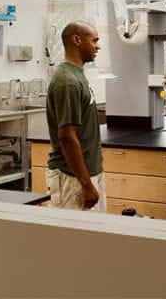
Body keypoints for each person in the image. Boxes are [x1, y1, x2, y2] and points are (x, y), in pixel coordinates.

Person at [45, 21, 105, 212]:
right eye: (94, 40)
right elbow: (67, 137)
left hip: (86, 174)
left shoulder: (77, 75)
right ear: (77, 40)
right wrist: (86, 185)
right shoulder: (67, 81)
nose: (98, 46)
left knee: (94, 239)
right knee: (70, 240)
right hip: (72, 178)